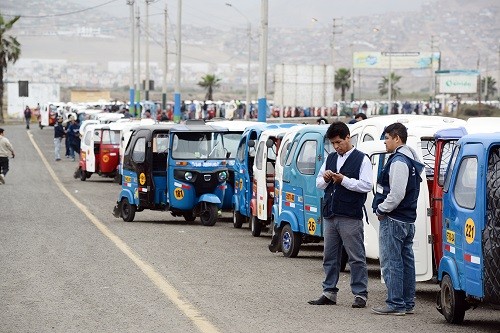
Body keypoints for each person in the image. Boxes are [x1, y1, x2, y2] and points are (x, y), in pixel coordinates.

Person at [308, 121, 373, 308]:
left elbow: (366, 185)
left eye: (339, 142)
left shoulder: (362, 159)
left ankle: (360, 294)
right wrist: (327, 178)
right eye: (333, 144)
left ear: (348, 137)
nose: (336, 147)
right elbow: (318, 183)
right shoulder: (330, 158)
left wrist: (344, 181)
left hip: (350, 215)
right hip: (330, 214)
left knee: (356, 256)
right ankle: (328, 292)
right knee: (329, 256)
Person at [371, 122, 424, 316]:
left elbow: (396, 193)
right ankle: (407, 302)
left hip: (394, 219)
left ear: (396, 138)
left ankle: (395, 303)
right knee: (406, 262)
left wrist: (381, 209)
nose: (384, 142)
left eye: (386, 138)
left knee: (392, 262)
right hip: (408, 219)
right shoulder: (411, 160)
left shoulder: (399, 161)